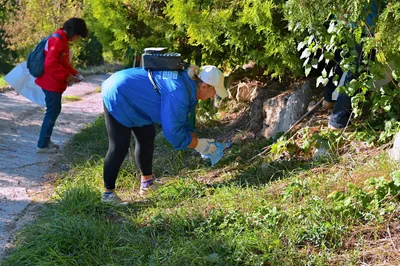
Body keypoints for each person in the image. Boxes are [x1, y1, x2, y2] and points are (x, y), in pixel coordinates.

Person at [101, 65, 228, 202]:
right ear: (204, 86)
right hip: (118, 93)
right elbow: (172, 132)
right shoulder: (179, 92)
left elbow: (181, 119)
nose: (214, 95)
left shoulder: (188, 85)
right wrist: (200, 145)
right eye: (214, 91)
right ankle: (108, 194)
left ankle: (147, 185)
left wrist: (195, 138)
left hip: (136, 98)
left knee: (147, 136)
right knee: (119, 146)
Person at [35, 18, 88, 153]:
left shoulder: (62, 39)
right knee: (52, 112)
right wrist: (67, 76)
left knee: (54, 111)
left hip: (54, 82)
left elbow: (63, 63)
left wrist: (74, 73)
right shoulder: (57, 41)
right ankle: (42, 145)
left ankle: (45, 141)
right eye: (78, 35)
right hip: (50, 83)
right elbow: (50, 64)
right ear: (73, 32)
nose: (77, 39)